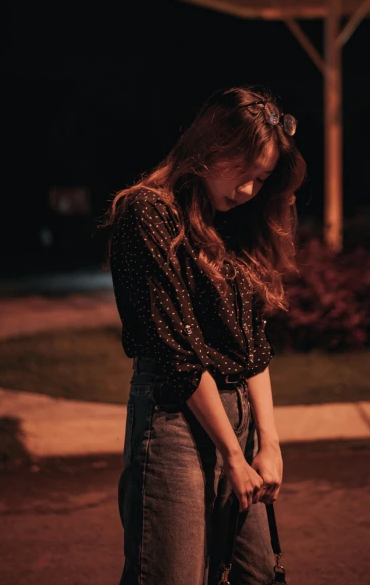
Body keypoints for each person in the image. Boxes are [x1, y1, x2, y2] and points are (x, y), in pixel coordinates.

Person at [103, 85, 307, 585]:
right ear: (211, 147)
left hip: (237, 418)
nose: (248, 192)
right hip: (174, 419)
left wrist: (269, 442)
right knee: (171, 575)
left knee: (258, 574)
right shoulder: (146, 212)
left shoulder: (230, 222)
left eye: (261, 180)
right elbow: (175, 352)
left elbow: (252, 344)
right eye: (244, 173)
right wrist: (233, 457)